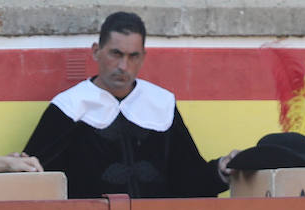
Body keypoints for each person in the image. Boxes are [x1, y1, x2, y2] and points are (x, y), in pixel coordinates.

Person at [23, 12, 237, 199]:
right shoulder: (68, 106)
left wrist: (220, 169)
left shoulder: (161, 103)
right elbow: (36, 182)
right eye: (115, 54)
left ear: (143, 57)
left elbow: (188, 178)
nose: (123, 66)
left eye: (133, 56)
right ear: (96, 51)